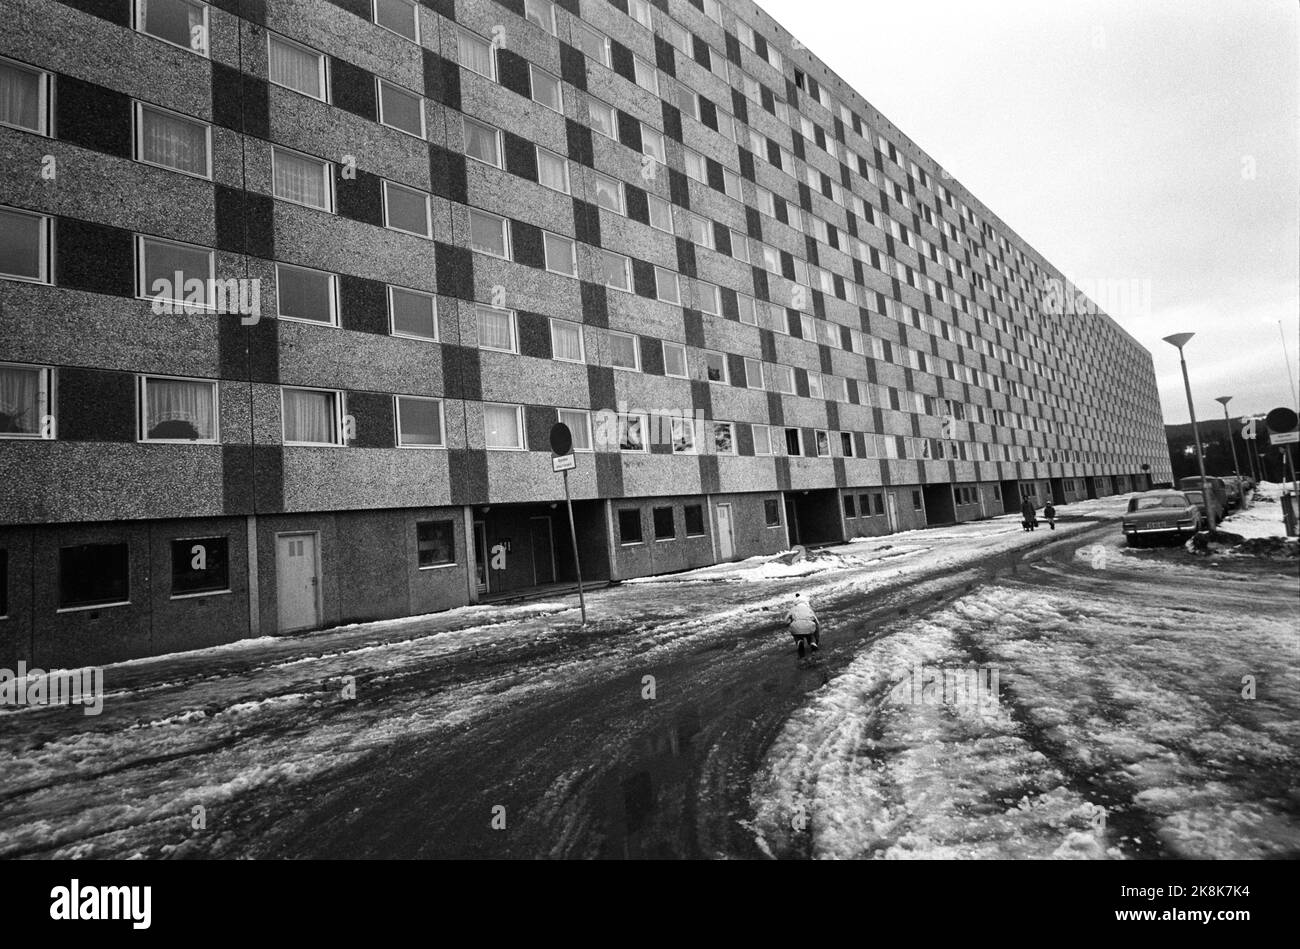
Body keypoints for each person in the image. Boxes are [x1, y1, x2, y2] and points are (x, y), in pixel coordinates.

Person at [785, 593, 820, 658]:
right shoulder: (809, 609)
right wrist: (817, 638)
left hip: (797, 628)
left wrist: (790, 624)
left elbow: (786, 620)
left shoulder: (792, 609)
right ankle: (813, 643)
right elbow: (817, 623)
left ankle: (799, 641)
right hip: (809, 627)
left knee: (796, 631)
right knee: (811, 633)